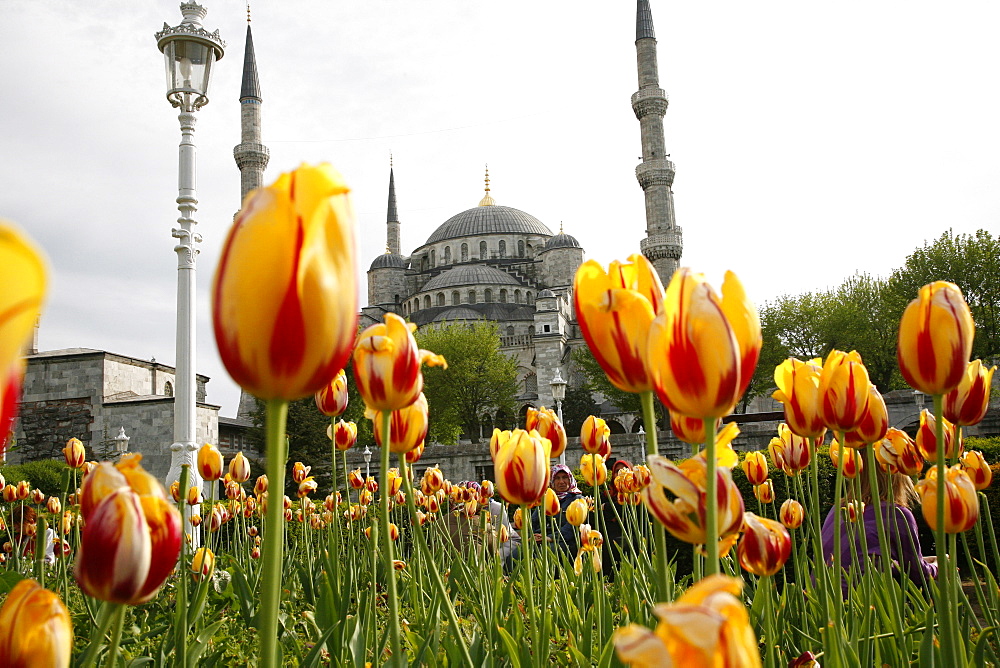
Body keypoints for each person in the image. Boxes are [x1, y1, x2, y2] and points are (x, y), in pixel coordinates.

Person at [821, 466, 937, 590]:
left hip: (824, 599)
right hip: (859, 602)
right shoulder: (896, 514)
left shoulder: (838, 510)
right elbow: (918, 574)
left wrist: (923, 561)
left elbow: (857, 560)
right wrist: (938, 565)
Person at [529, 465, 584, 560]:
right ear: (552, 481)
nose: (561, 482)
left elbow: (572, 527)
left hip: (565, 541)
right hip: (542, 539)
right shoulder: (548, 497)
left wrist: (550, 538)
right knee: (517, 554)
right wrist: (532, 536)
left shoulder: (577, 500)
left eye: (565, 477)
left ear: (570, 478)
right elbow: (534, 521)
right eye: (557, 478)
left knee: (543, 553)